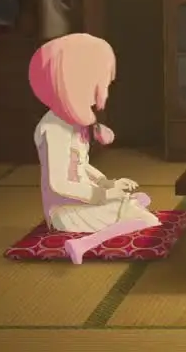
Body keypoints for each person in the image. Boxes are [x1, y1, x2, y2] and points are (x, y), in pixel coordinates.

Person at [29, 33, 160, 264]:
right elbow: (58, 184)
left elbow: (82, 165)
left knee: (132, 204)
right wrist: (103, 195)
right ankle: (82, 244)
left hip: (81, 199)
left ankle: (121, 207)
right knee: (149, 221)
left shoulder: (72, 121)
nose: (103, 92)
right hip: (65, 211)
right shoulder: (54, 128)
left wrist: (107, 183)